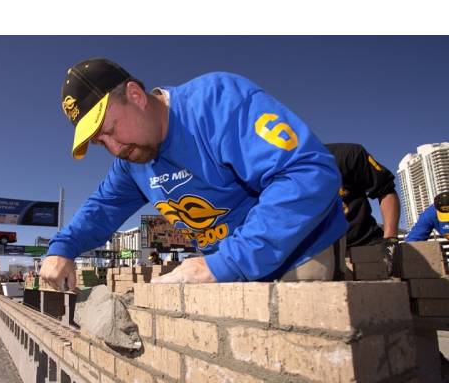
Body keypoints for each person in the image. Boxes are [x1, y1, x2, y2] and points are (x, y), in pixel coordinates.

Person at [41, 58, 348, 290]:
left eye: (110, 130)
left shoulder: (216, 102)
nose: (114, 147)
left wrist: (226, 263)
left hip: (295, 251)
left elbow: (307, 172)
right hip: (220, 268)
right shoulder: (131, 160)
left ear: (135, 95)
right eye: (100, 142)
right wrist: (62, 248)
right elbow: (101, 209)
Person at [325, 143, 400, 275]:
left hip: (363, 243)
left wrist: (390, 240)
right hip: (321, 251)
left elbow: (385, 190)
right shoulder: (281, 174)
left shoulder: (347, 155)